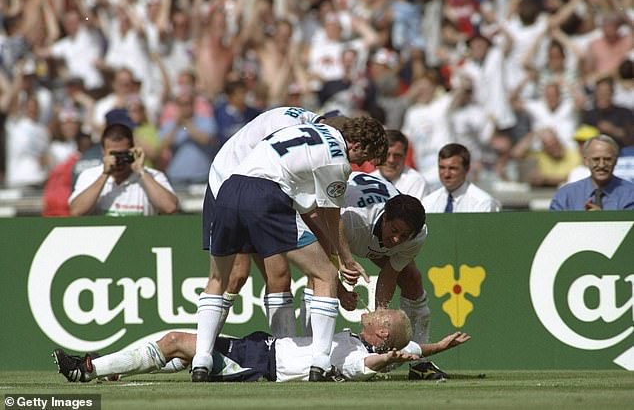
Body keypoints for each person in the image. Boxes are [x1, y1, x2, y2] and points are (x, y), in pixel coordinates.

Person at [191, 114, 388, 382]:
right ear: (356, 145)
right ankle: (320, 362)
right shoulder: (337, 160)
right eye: (363, 158)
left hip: (228, 191)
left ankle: (201, 359)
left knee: (217, 279)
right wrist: (345, 259)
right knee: (325, 276)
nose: (359, 165)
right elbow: (331, 215)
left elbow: (307, 210)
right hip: (265, 197)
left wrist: (335, 255)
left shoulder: (301, 133)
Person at [53, 308, 470, 383]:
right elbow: (410, 352)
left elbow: (369, 365)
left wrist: (388, 359)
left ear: (380, 335)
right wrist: (436, 347)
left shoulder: (358, 353)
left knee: (177, 342)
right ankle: (110, 368)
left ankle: (86, 370)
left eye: (382, 316)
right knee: (179, 345)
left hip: (261, 363)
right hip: (261, 347)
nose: (377, 310)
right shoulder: (359, 339)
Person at [304, 171, 446, 380]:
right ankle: (312, 354)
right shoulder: (351, 221)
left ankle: (419, 363)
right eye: (394, 230)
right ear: (386, 217)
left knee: (412, 279)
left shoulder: (417, 235)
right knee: (318, 277)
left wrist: (381, 314)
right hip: (328, 222)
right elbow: (322, 261)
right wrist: (342, 292)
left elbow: (390, 273)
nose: (397, 239)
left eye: (404, 236)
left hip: (367, 234)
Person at [68, 120, 178, 216]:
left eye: (123, 154)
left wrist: (141, 172)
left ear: (133, 150)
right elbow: (76, 211)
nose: (118, 160)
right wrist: (104, 175)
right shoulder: (90, 175)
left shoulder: (152, 176)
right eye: (113, 154)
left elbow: (170, 208)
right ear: (103, 151)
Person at [550, 135, 634, 211]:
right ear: (586, 161)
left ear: (616, 161)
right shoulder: (566, 195)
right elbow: (552, 225)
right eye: (596, 159)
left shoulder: (630, 194)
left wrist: (601, 218)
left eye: (607, 159)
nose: (601, 165)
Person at [423, 144, 500, 213]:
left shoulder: (482, 202)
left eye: (452, 168)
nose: (446, 174)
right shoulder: (429, 202)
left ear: (467, 169)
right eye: (442, 168)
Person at [370, 130, 430, 203]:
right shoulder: (367, 181)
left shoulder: (416, 182)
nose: (391, 160)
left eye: (397, 155)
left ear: (405, 157)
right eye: (386, 154)